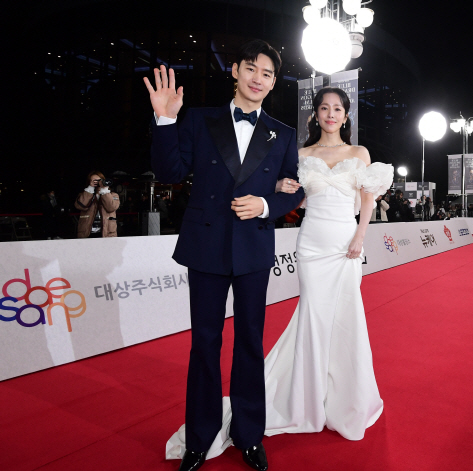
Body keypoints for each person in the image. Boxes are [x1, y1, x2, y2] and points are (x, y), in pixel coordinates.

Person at [149, 40, 304, 471]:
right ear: (234, 71)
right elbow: (170, 173)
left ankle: (249, 434)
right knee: (205, 345)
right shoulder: (199, 119)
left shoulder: (283, 133)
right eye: (251, 68)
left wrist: (268, 206)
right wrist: (165, 118)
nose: (258, 78)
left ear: (273, 83)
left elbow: (296, 187)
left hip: (253, 247)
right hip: (206, 247)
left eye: (268, 73)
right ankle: (199, 438)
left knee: (250, 344)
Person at [260, 86, 391, 442]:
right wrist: (280, 185)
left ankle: (347, 396)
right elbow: (287, 192)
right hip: (312, 244)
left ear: (346, 116)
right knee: (313, 315)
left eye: (337, 109)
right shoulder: (301, 153)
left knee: (347, 316)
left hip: (346, 241)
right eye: (324, 108)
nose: (331, 114)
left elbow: (367, 198)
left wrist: (360, 237)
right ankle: (306, 398)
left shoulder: (358, 152)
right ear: (315, 114)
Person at [74, 171, 120, 238]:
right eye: (94, 180)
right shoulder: (84, 195)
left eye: (99, 180)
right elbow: (81, 206)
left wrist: (104, 190)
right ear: (89, 182)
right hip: (87, 233)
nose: (97, 183)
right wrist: (90, 189)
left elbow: (111, 208)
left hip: (107, 233)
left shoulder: (113, 195)